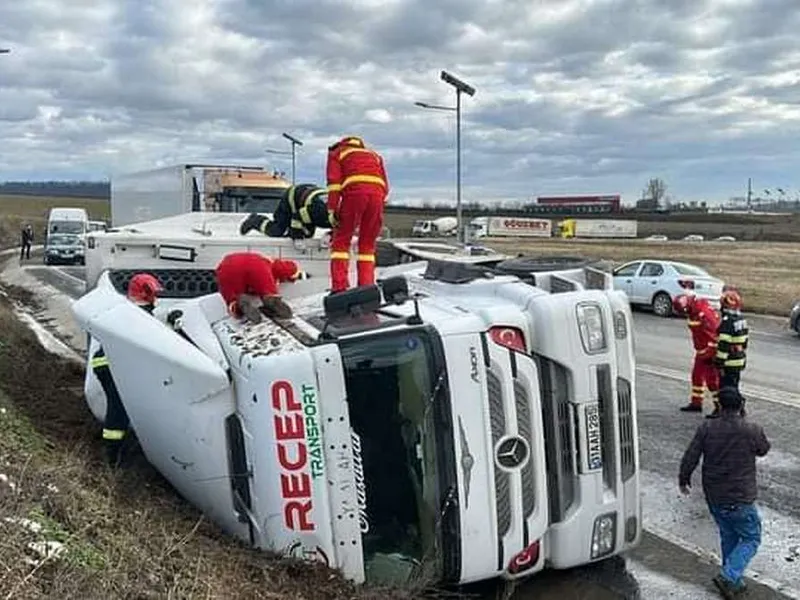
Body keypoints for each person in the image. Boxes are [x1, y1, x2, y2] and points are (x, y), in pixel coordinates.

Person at [678, 386, 770, 598]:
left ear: (719, 405)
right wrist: (745, 420)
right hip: (740, 497)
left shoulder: (707, 428)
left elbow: (691, 455)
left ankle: (734, 581)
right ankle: (729, 576)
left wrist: (684, 478)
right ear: (741, 406)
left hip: (715, 496)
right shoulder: (751, 429)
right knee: (751, 538)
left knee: (729, 536)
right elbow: (763, 449)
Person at [91, 273, 164, 467]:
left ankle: (116, 446)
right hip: (112, 365)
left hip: (107, 363)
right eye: (153, 294)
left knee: (119, 406)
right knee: (119, 407)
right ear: (146, 294)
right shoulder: (141, 314)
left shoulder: (126, 310)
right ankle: (112, 456)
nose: (156, 299)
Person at [326, 135, 389, 292]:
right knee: (367, 245)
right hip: (378, 197)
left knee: (341, 242)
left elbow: (334, 184)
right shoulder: (374, 155)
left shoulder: (336, 153)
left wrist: (332, 209)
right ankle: (366, 286)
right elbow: (385, 186)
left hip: (354, 195)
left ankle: (339, 287)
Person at [214, 251, 308, 321]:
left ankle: (238, 305)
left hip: (225, 268)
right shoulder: (274, 264)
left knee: (231, 295)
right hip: (256, 265)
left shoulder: (266, 260)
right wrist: (294, 273)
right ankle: (271, 300)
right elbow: (289, 268)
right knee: (267, 289)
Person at [673, 294, 721, 416]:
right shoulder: (693, 311)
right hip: (701, 351)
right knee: (697, 377)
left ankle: (719, 407)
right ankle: (696, 403)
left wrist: (710, 355)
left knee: (712, 381)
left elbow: (715, 336)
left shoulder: (703, 313)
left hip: (709, 352)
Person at [239, 183, 333, 240]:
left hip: (307, 198)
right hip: (292, 198)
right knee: (277, 231)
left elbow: (342, 232)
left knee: (307, 235)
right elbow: (297, 217)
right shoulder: (320, 210)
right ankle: (255, 221)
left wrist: (330, 236)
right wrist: (296, 236)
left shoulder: (343, 215)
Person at [715, 289, 749, 394]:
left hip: (729, 362)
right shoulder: (742, 319)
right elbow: (745, 342)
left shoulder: (727, 321)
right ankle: (738, 408)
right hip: (739, 359)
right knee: (734, 387)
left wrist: (719, 363)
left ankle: (728, 409)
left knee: (726, 389)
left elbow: (724, 344)